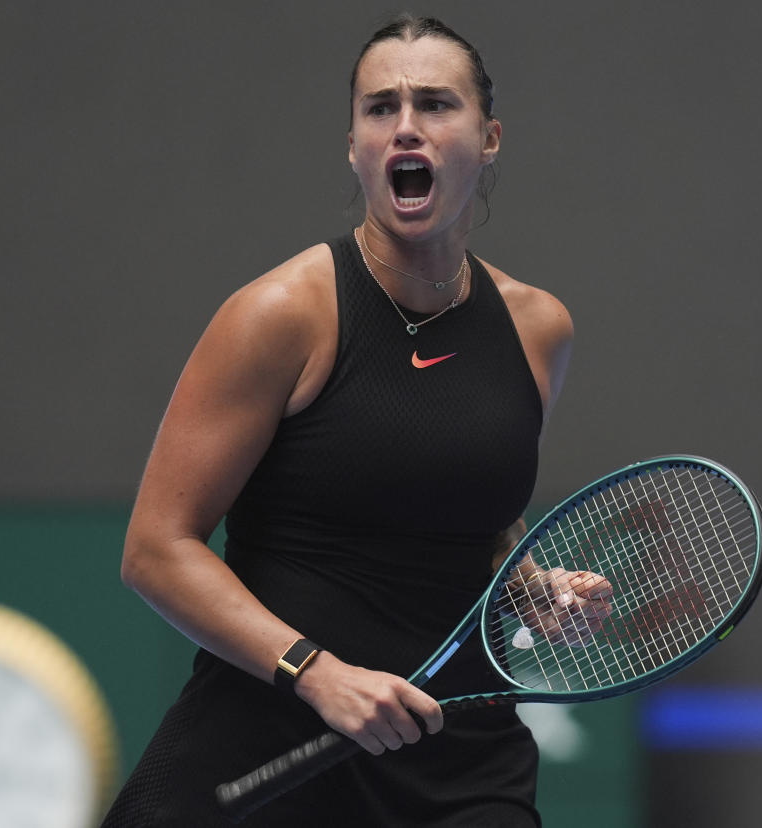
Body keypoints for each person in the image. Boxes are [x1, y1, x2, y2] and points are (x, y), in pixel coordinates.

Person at [100, 15, 611, 827]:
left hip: (462, 762)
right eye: (380, 108)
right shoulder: (279, 315)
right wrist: (316, 672)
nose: (406, 125)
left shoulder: (539, 329)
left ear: (489, 139)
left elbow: (472, 515)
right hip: (270, 741)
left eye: (437, 104)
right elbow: (156, 551)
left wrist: (532, 587)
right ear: (354, 145)